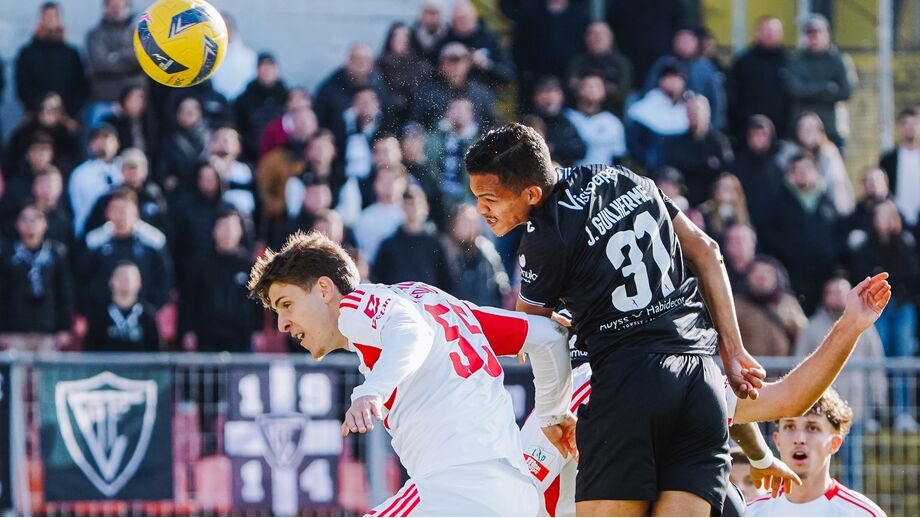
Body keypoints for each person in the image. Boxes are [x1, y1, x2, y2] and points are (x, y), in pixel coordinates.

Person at [465, 123, 765, 516]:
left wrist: (554, 411)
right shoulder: (626, 177)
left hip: (630, 385)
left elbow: (534, 331)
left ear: (532, 194)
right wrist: (735, 350)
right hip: (700, 381)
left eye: (489, 199)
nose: (481, 210)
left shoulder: (545, 236)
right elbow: (707, 251)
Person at [246, 230, 575, 516]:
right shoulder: (432, 301)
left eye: (286, 304)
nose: (281, 324)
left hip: (458, 491)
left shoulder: (357, 305)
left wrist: (370, 390)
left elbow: (411, 332)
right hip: (515, 496)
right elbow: (548, 337)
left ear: (324, 289)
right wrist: (553, 415)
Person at [519, 272, 891, 516]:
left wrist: (850, 327)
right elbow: (513, 499)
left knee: (728, 504)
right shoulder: (563, 407)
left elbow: (788, 398)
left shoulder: (686, 373)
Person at [746, 389, 887, 516]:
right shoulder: (751, 512)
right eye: (790, 427)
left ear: (834, 443)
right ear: (777, 440)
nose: (799, 439)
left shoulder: (862, 514)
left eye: (812, 428)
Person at [14, 1, 89, 117]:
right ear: (40, 19)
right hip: (35, 116)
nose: (50, 20)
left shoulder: (71, 53)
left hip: (67, 116)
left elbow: (81, 86)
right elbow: (22, 87)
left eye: (54, 16)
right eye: (46, 16)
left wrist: (66, 111)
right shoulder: (27, 53)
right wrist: (41, 109)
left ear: (59, 20)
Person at [83, 260, 160, 352]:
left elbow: (157, 353)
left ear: (139, 283)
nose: (126, 280)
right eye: (121, 276)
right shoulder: (99, 313)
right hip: (106, 366)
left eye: (131, 277)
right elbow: (89, 352)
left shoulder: (148, 314)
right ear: (111, 281)